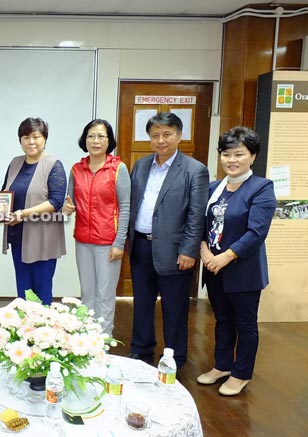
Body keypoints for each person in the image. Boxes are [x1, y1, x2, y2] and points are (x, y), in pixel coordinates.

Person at [197, 127, 276, 396]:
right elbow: (201, 225)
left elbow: (257, 232)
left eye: (239, 154)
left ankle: (241, 373)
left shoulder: (262, 188)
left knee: (244, 323)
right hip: (213, 267)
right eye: (226, 154)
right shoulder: (213, 188)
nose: (232, 160)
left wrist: (226, 257)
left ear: (252, 156)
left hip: (242, 270)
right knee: (222, 320)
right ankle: (222, 366)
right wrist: (205, 253)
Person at [128, 112, 209, 369]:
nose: (161, 140)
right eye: (155, 135)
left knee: (174, 308)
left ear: (179, 135)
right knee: (141, 303)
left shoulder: (195, 170)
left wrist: (189, 250)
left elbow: (197, 215)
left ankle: (174, 357)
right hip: (141, 245)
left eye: (166, 134)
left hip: (175, 251)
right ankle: (141, 351)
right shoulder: (141, 165)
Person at [63, 119, 130, 336]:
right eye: (91, 136)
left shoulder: (118, 169)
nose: (96, 140)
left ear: (109, 140)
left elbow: (126, 208)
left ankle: (103, 341)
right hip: (82, 240)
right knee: (87, 293)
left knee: (105, 294)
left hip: (108, 242)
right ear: (85, 139)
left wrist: (119, 242)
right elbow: (69, 202)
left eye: (101, 136)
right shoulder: (76, 169)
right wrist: (66, 207)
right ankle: (87, 340)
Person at [2, 117, 67, 305]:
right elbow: (4, 194)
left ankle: (42, 333)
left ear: (44, 139)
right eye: (25, 137)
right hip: (18, 236)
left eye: (36, 137)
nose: (31, 142)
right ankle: (25, 332)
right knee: (23, 290)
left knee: (41, 290)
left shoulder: (53, 164)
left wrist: (22, 214)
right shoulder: (15, 163)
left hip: (43, 237)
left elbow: (55, 201)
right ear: (20, 141)